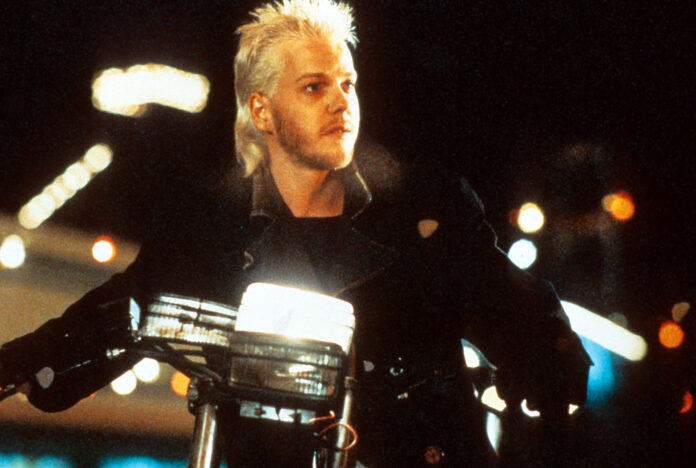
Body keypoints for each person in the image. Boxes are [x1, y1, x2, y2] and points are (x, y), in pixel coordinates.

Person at [0, 0, 591, 466]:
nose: (341, 102)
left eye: (348, 83)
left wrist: (550, 353)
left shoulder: (426, 213)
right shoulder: (210, 230)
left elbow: (504, 298)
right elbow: (123, 311)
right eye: (314, 87)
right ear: (262, 112)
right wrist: (22, 362)